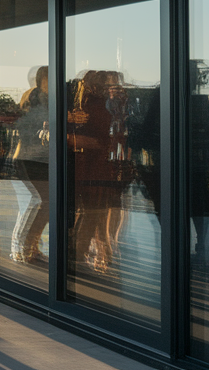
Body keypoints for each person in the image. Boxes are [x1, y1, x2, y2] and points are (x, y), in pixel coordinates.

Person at [68, 70, 132, 275]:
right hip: (97, 163)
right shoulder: (98, 107)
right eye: (111, 85)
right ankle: (82, 255)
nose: (115, 89)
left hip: (94, 163)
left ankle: (87, 253)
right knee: (95, 210)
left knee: (93, 211)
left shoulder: (86, 106)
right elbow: (102, 135)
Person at [8, 66, 51, 263]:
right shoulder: (34, 99)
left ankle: (30, 246)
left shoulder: (46, 99)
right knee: (37, 201)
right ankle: (21, 247)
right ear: (42, 79)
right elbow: (29, 128)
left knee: (44, 202)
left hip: (41, 157)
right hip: (29, 157)